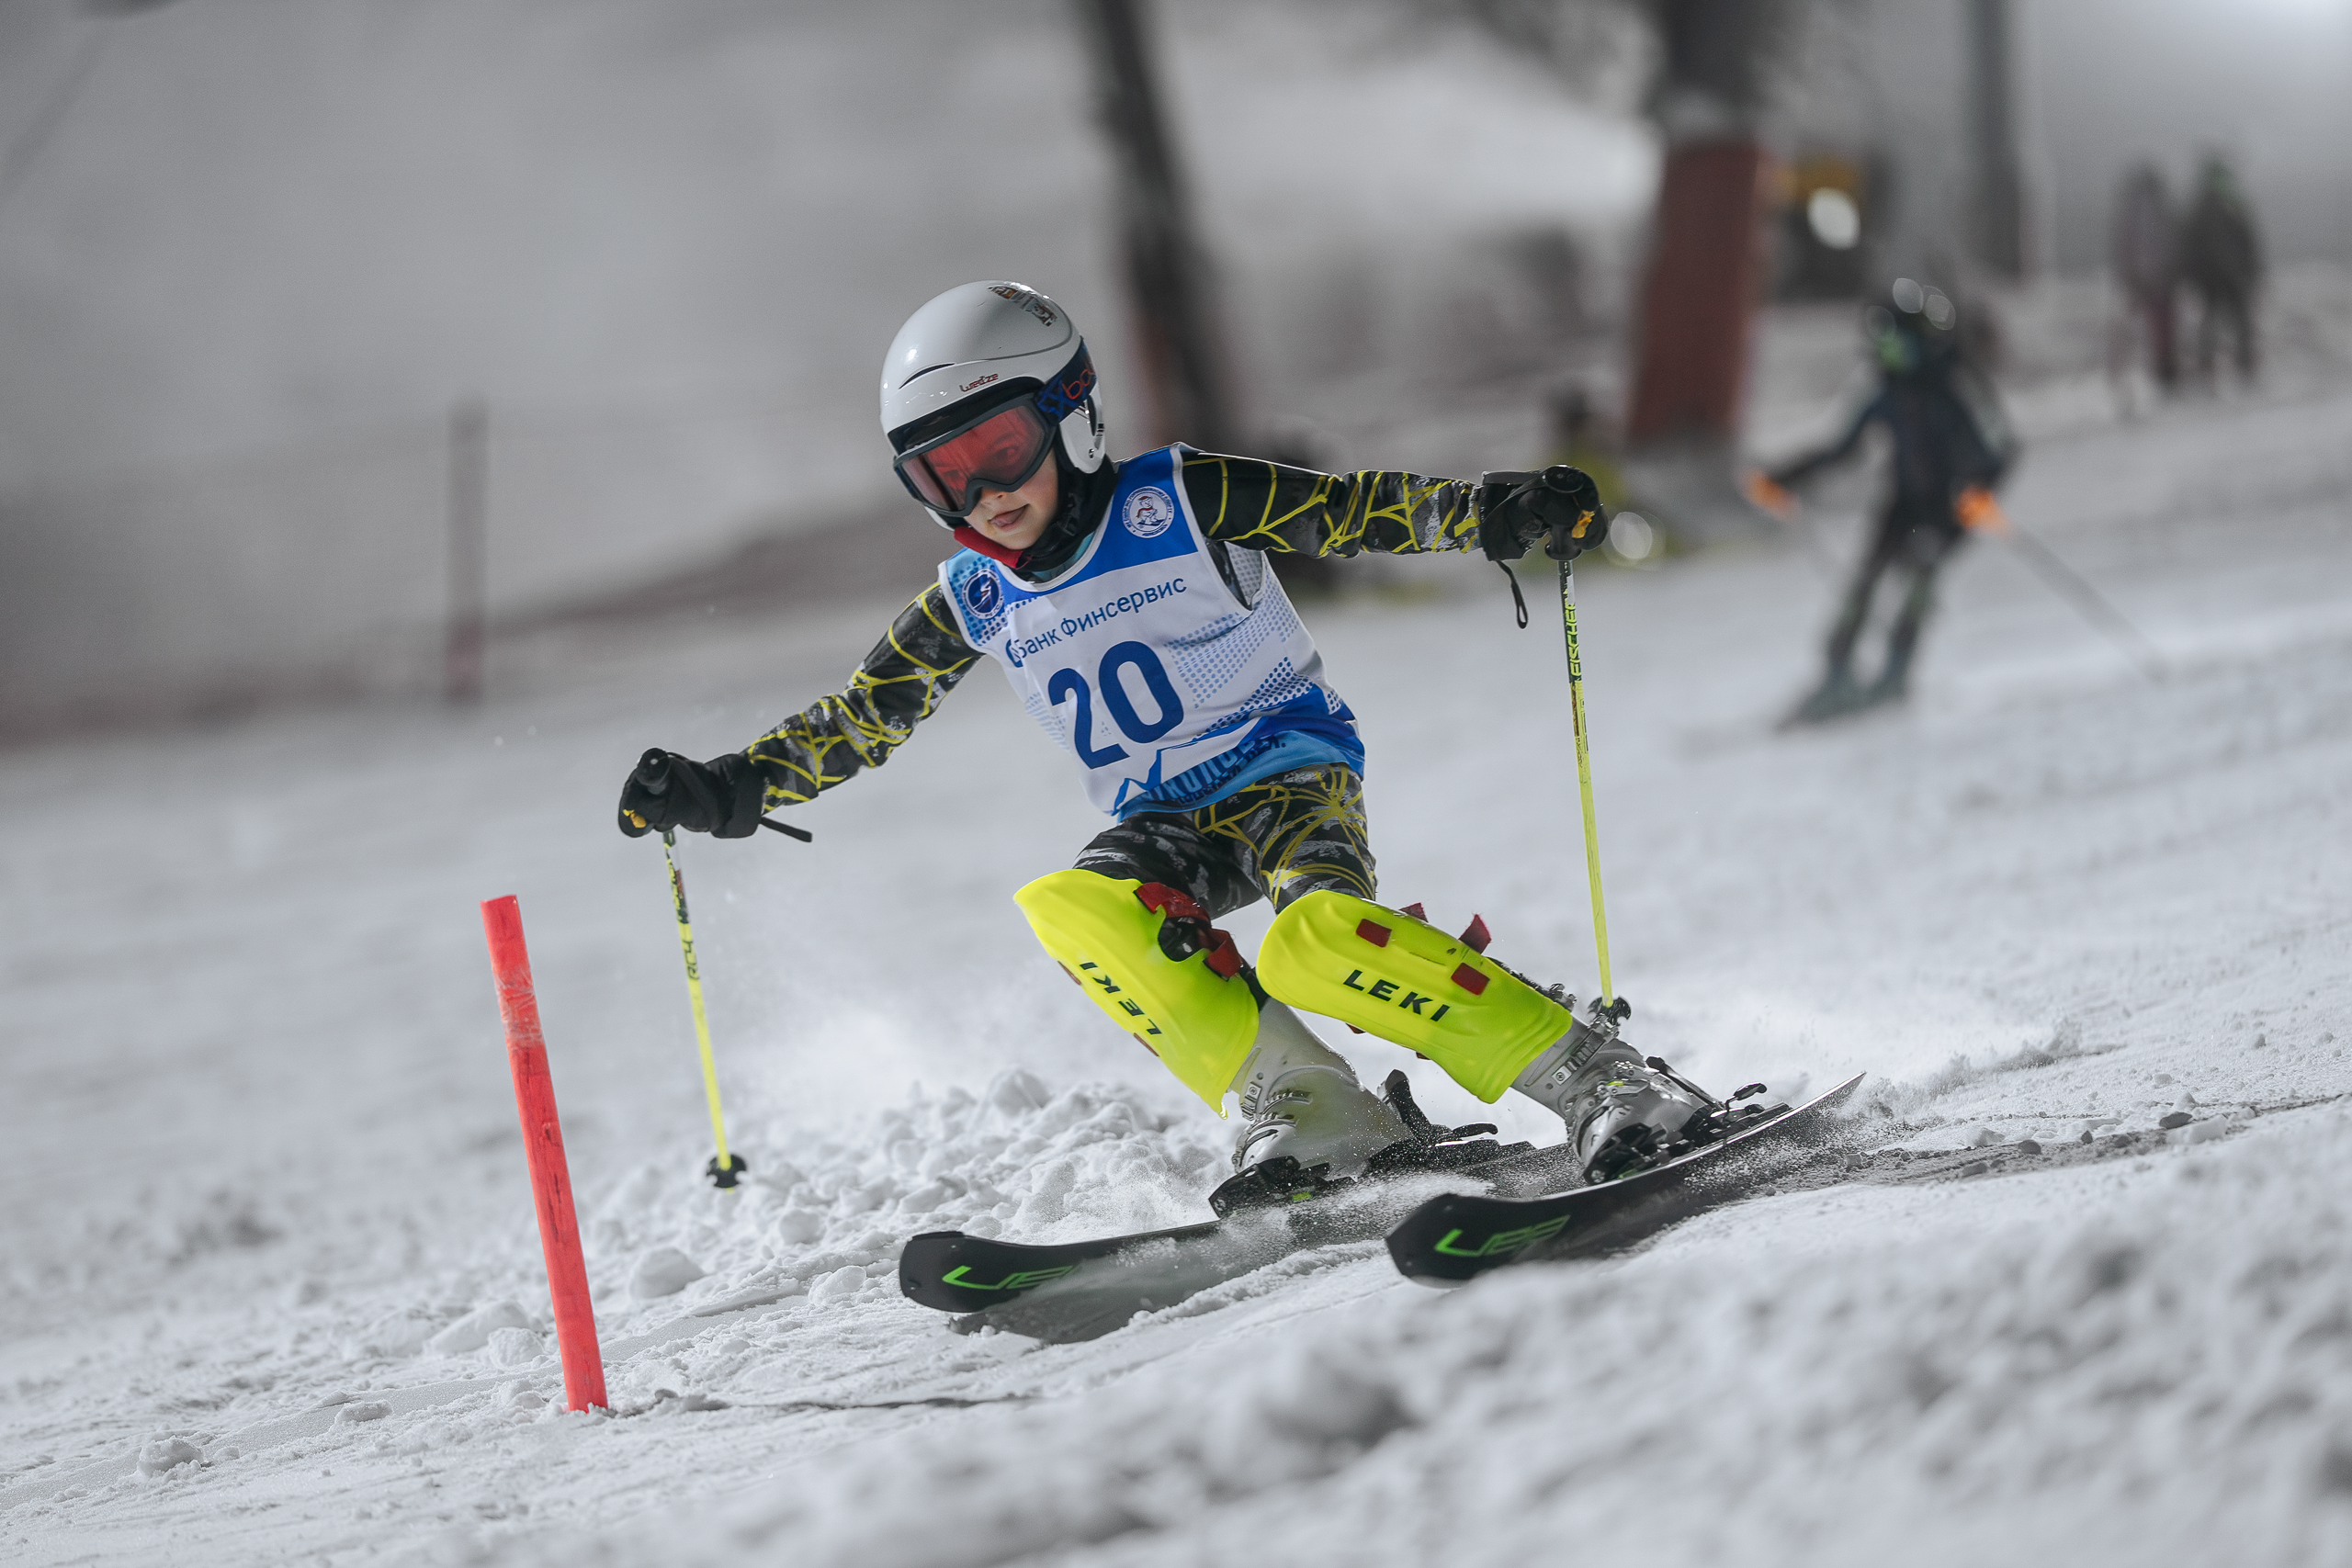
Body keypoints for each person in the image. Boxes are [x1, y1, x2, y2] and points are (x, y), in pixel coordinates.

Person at [616, 280, 1705, 1195]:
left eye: (1000, 448)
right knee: (1075, 906)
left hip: (1284, 772)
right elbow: (865, 714)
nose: (985, 493)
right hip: (1163, 822)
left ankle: (1600, 1080)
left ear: (1070, 413)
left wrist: (1487, 513)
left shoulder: (1177, 497)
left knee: (1317, 940)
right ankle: (1313, 1105)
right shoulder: (973, 597)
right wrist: (731, 786)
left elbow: (1347, 510)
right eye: (947, 474)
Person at [1747, 278, 2015, 722]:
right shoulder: (1890, 394)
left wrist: (1977, 495)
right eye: (1881, 343)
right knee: (1865, 582)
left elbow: (1998, 451)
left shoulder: (1952, 392)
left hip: (1945, 510)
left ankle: (1895, 670)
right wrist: (1785, 476)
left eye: (1895, 342)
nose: (1886, 354)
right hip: (1902, 504)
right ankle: (1837, 672)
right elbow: (1843, 448)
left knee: (1917, 586)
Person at [2178, 155, 2261, 384]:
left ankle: (2216, 369)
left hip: (2216, 276)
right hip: (2225, 275)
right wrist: (2251, 269)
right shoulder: (2231, 203)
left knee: (2219, 323)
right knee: (2233, 322)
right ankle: (2240, 369)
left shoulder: (2200, 205)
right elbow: (2248, 240)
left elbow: (2188, 244)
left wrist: (2190, 274)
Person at [2110, 163, 2177, 389]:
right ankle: (2163, 373)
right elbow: (2171, 243)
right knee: (2162, 329)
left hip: (2141, 281)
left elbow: (2123, 247)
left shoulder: (2129, 209)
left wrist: (2127, 279)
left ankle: (2133, 377)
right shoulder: (2163, 205)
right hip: (2160, 280)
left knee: (2141, 331)